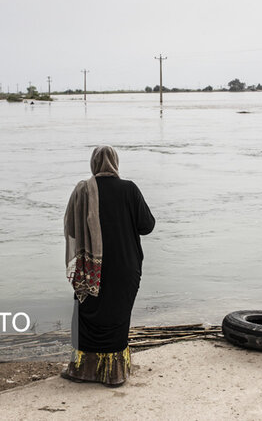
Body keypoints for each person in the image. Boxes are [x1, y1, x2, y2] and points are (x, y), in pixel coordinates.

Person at [62, 145, 155, 386]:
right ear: (115, 163)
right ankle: (114, 375)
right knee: (118, 317)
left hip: (91, 269)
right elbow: (147, 225)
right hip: (125, 266)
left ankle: (82, 371)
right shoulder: (129, 189)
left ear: (93, 163)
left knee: (86, 316)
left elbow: (71, 229)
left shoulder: (83, 191)